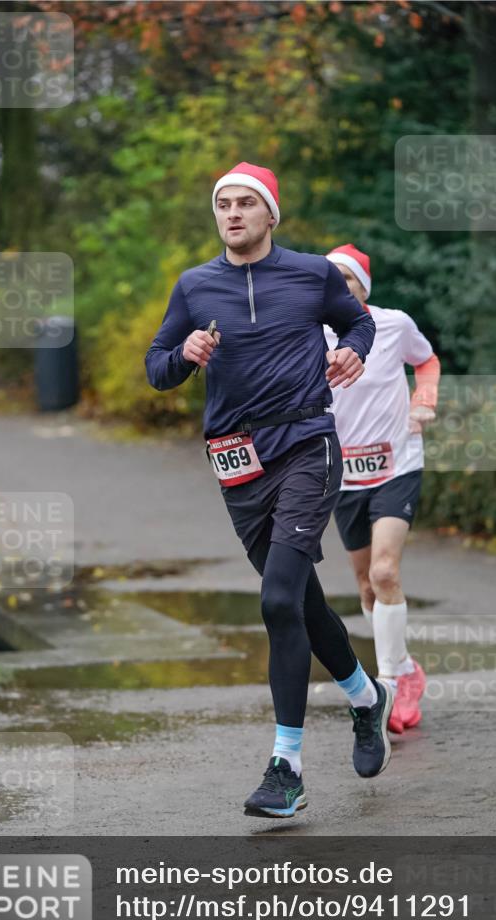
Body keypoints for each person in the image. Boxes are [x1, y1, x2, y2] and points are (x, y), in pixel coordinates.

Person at [146, 163, 393, 818]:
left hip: (306, 443)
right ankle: (367, 699)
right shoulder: (194, 286)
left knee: (277, 596)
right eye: (222, 204)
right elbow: (155, 369)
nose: (231, 213)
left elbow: (358, 322)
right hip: (236, 459)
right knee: (299, 605)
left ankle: (285, 767)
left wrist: (352, 351)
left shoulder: (311, 274)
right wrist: (183, 356)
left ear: (269, 215)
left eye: (244, 203)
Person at [324, 244, 440, 734]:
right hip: (343, 476)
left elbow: (427, 361)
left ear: (361, 288)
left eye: (346, 280)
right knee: (368, 586)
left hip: (397, 463)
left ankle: (389, 682)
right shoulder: (309, 333)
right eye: (329, 281)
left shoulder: (393, 324)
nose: (337, 288)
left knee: (386, 571)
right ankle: (408, 669)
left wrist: (423, 401)